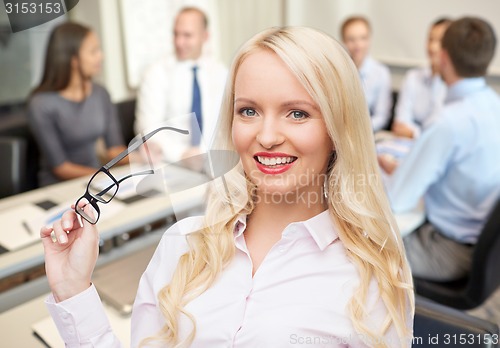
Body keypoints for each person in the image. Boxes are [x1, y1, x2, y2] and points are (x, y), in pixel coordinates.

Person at [41, 27, 414, 347]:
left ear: (337, 129)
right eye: (248, 111)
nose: (266, 136)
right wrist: (73, 290)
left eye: (297, 113)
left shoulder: (371, 272)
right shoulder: (182, 245)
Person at [380, 17, 500, 281]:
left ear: (442, 57)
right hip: (485, 249)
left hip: (448, 249)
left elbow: (398, 199)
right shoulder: (494, 104)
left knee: (360, 247)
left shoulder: (448, 122)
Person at [28, 22, 126, 186]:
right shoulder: (40, 104)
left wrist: (142, 158)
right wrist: (105, 177)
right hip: (60, 188)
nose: (100, 56)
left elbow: (114, 148)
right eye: (93, 51)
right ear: (73, 59)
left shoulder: (100, 93)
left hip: (96, 181)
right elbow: (60, 167)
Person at [135, 7, 227, 163]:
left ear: (205, 36)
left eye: (187, 35)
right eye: (176, 34)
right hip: (169, 162)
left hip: (213, 162)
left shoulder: (221, 73)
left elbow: (225, 122)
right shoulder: (156, 73)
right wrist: (182, 155)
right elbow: (147, 127)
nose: (179, 42)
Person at [392, 18, 452, 139]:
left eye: (439, 41)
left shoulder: (453, 85)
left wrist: (413, 133)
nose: (433, 47)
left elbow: (441, 131)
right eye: (430, 39)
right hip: (406, 144)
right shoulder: (412, 77)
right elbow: (400, 122)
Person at [341, 16, 392, 132]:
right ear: (343, 40)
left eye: (363, 38)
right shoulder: (339, 70)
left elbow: (382, 117)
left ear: (369, 39)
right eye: (351, 39)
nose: (358, 45)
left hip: (367, 133)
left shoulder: (381, 73)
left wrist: (359, 130)